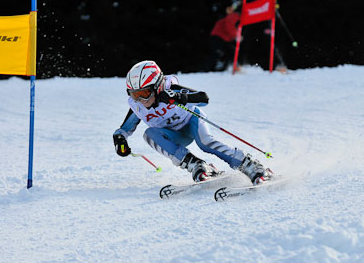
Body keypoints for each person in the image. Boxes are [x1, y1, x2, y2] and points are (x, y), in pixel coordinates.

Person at [113, 60, 268, 184]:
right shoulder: (138, 106)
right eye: (135, 95)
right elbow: (124, 129)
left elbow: (203, 98)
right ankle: (197, 165)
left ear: (158, 86)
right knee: (149, 134)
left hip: (192, 122)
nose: (140, 100)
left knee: (205, 143)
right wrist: (120, 139)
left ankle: (248, 164)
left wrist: (180, 97)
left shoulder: (171, 89)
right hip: (175, 135)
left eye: (145, 93)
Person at [202, 2, 241, 72]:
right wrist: (235, 35)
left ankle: (228, 67)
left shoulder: (234, 16)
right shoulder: (235, 15)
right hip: (219, 37)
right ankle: (205, 70)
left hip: (222, 37)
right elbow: (228, 26)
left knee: (230, 52)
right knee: (217, 53)